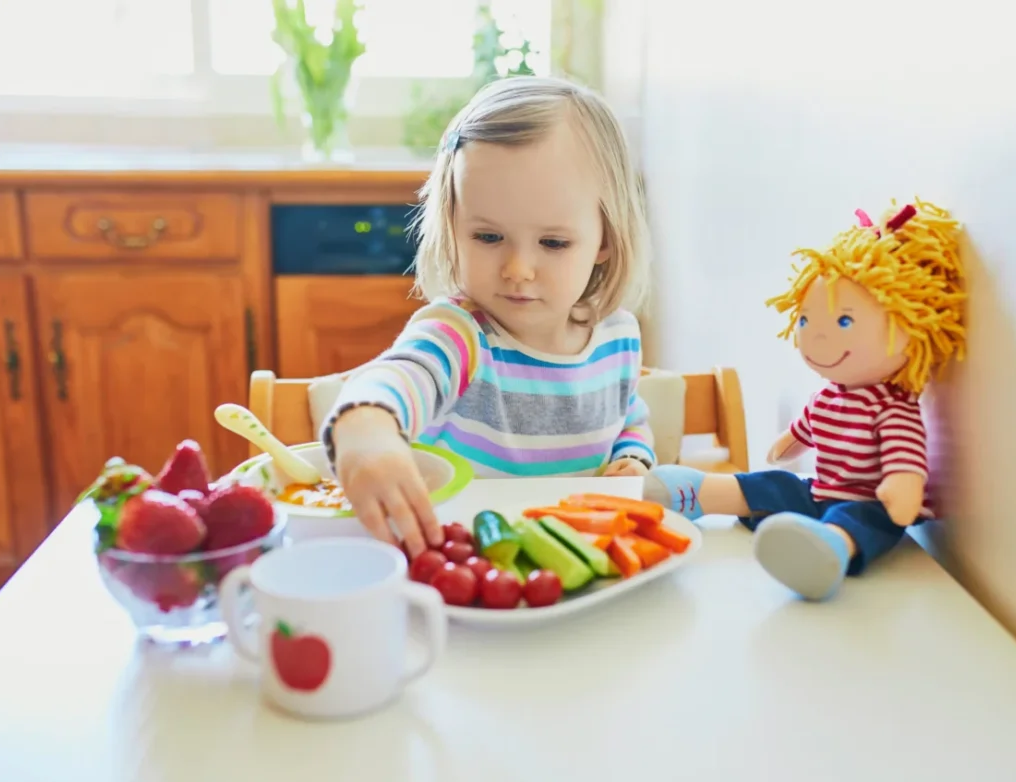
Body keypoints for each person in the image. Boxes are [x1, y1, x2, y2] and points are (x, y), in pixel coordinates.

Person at [320, 76, 656, 558]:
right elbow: (404, 374)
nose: (518, 270)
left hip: (578, 573)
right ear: (452, 227)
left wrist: (631, 457)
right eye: (488, 237)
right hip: (468, 569)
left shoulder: (618, 336)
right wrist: (367, 424)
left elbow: (629, 415)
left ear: (605, 238)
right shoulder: (460, 334)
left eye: (554, 243)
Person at [645, 199, 967, 601]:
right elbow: (808, 428)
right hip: (818, 490)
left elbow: (905, 461)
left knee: (859, 519)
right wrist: (788, 443)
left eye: (844, 321)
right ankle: (700, 493)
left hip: (867, 502)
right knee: (777, 482)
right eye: (805, 320)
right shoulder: (828, 396)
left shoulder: (892, 408)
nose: (815, 337)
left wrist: (903, 487)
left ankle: (828, 548)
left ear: (910, 324)